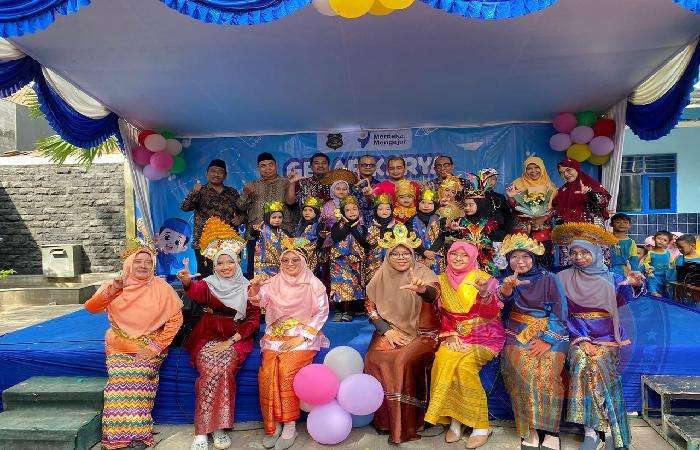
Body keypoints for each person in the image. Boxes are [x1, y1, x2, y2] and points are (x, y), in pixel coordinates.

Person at [552, 223, 645, 450]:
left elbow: (624, 299)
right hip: (576, 333)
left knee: (598, 366)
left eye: (584, 252)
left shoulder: (612, 277)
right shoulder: (562, 277)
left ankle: (607, 429)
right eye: (574, 252)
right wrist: (582, 339)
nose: (579, 257)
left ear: (595, 252)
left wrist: (635, 283)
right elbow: (560, 313)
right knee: (582, 362)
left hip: (608, 335)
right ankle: (592, 431)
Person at [85, 245, 183, 449]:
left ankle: (137, 437)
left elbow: (176, 320)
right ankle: (117, 438)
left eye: (148, 262)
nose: (143, 266)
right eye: (138, 261)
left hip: (149, 346)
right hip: (118, 347)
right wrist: (113, 290)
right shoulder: (115, 285)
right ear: (128, 264)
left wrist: (155, 347)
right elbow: (91, 307)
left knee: (137, 376)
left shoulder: (161, 287)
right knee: (119, 382)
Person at [178, 218, 261, 450]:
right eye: (220, 263)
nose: (225, 267)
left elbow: (253, 320)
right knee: (209, 371)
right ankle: (202, 431)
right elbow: (196, 291)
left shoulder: (247, 287)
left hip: (236, 338)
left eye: (230, 262)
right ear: (214, 266)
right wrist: (187, 281)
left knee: (224, 370)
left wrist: (231, 341)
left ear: (237, 262)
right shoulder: (209, 284)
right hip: (207, 335)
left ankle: (220, 427)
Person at [363, 223, 440, 444]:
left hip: (423, 333)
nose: (401, 257)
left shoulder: (423, 273)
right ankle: (385, 421)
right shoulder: (380, 275)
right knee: (373, 358)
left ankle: (408, 424)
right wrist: (386, 330)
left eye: (405, 253)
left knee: (401, 361)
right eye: (395, 253)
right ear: (388, 256)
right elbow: (370, 307)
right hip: (390, 329)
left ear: (412, 254)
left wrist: (422, 290)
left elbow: (434, 294)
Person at [424, 241, 505, 449]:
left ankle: (481, 426)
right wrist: (449, 335)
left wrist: (485, 294)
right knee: (443, 360)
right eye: (454, 254)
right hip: (454, 334)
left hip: (485, 335)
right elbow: (440, 314)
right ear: (447, 256)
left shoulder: (485, 279)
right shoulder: (441, 280)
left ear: (472, 258)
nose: (458, 259)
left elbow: (493, 313)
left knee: (465, 367)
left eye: (464, 255)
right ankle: (455, 420)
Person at [250, 243, 329, 450]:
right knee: (267, 373)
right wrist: (256, 287)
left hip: (303, 337)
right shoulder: (273, 282)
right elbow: (258, 301)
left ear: (304, 262)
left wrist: (301, 338)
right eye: (285, 260)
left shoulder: (314, 284)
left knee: (286, 371)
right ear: (280, 263)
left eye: (295, 260)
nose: (290, 264)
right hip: (276, 337)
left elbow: (321, 313)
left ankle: (289, 425)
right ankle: (273, 425)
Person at [497, 234, 569, 450]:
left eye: (525, 256)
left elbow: (560, 313)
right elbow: (500, 309)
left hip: (550, 330)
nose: (520, 262)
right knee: (521, 371)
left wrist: (547, 340)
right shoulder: (506, 279)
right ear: (508, 259)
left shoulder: (550, 278)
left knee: (547, 372)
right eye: (514, 257)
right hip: (517, 332)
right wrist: (506, 290)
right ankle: (531, 429)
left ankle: (551, 431)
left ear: (534, 258)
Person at [181, 159, 244, 277]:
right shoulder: (200, 191)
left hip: (228, 241)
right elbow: (185, 207)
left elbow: (243, 210)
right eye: (213, 171)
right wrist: (194, 192)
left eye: (220, 172)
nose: (216, 174)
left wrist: (240, 218)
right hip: (204, 240)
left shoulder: (232, 192)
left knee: (230, 274)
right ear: (207, 173)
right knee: (206, 275)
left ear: (225, 175)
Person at [237, 153, 292, 277]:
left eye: (270, 165)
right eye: (263, 166)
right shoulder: (252, 185)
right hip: (256, 234)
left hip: (281, 233)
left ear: (276, 165)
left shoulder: (286, 183)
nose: (267, 168)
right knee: (254, 269)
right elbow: (240, 206)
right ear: (258, 168)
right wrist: (246, 194)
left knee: (282, 269)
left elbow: (292, 203)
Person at [505, 156, 557, 267]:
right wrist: (511, 197)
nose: (533, 171)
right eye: (529, 168)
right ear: (525, 170)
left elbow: (554, 207)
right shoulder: (517, 184)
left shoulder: (550, 186)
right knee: (522, 257)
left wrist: (544, 218)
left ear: (542, 168)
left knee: (544, 256)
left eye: (536, 167)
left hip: (543, 228)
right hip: (522, 228)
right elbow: (512, 206)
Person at [329, 196, 368, 322]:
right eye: (348, 210)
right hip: (339, 261)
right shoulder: (337, 225)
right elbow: (336, 237)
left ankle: (350, 311)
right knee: (338, 284)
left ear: (359, 211)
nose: (352, 212)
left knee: (354, 285)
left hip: (355, 261)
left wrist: (353, 227)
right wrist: (347, 225)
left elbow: (363, 241)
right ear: (342, 212)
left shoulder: (362, 227)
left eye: (354, 209)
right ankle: (338, 310)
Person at [552, 158, 611, 226]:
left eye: (568, 170)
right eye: (561, 173)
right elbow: (557, 207)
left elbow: (603, 202)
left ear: (576, 169)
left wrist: (590, 192)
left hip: (591, 228)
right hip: (569, 229)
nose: (565, 174)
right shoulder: (563, 190)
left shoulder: (591, 184)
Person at [409, 186, 443, 274]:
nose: (426, 206)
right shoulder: (411, 220)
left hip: (436, 255)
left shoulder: (441, 219)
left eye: (430, 203)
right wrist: (424, 252)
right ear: (418, 204)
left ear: (435, 205)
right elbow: (411, 238)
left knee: (437, 279)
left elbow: (441, 237)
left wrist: (431, 253)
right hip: (418, 254)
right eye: (423, 202)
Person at [254, 201, 289, 280]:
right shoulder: (260, 230)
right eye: (274, 217)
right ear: (267, 217)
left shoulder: (283, 233)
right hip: (263, 267)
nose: (277, 220)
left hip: (279, 267)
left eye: (280, 217)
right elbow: (252, 232)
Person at [365, 194, 396, 282]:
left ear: (391, 210)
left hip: (392, 259)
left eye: (387, 209)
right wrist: (381, 229)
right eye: (380, 209)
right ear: (376, 210)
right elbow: (370, 242)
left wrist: (388, 229)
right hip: (374, 260)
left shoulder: (397, 225)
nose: (384, 211)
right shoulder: (371, 226)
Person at [479, 168, 515, 234]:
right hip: (479, 232)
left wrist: (507, 233)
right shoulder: (475, 197)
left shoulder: (500, 197)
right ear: (480, 180)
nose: (490, 181)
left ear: (496, 181)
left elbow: (508, 217)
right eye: (487, 178)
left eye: (493, 179)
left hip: (499, 233)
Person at [642, 230, 674, 297]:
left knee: (666, 291)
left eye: (665, 240)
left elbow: (670, 264)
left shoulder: (668, 253)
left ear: (668, 243)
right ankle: (653, 292)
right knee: (652, 285)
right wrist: (649, 270)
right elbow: (645, 262)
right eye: (659, 238)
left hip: (665, 276)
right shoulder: (650, 253)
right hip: (654, 276)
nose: (661, 241)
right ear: (654, 239)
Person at [609, 213, 640, 278]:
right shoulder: (606, 240)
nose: (622, 224)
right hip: (607, 271)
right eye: (618, 222)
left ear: (629, 225)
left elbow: (633, 259)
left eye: (625, 222)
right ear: (611, 224)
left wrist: (635, 273)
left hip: (625, 272)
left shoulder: (631, 242)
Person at [353, 154, 381, 225]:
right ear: (358, 166)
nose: (368, 167)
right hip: (356, 223)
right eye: (364, 165)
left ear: (375, 167)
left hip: (376, 223)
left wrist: (370, 197)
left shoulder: (379, 185)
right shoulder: (351, 184)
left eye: (371, 165)